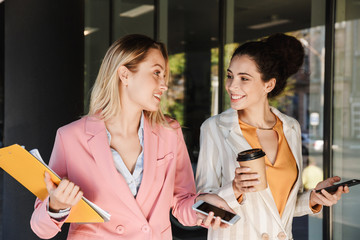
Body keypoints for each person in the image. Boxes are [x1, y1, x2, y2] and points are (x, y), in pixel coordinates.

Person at [30, 34, 231, 240]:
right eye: (156, 73)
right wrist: (56, 206)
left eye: (164, 76)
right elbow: (40, 228)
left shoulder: (169, 132)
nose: (164, 85)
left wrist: (203, 206)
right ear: (124, 75)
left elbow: (181, 202)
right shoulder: (71, 137)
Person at [195, 33, 349, 240]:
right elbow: (201, 203)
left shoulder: (290, 129)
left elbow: (285, 205)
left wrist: (314, 197)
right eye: (230, 76)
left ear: (269, 85)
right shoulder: (214, 128)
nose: (232, 86)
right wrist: (235, 188)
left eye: (244, 79)